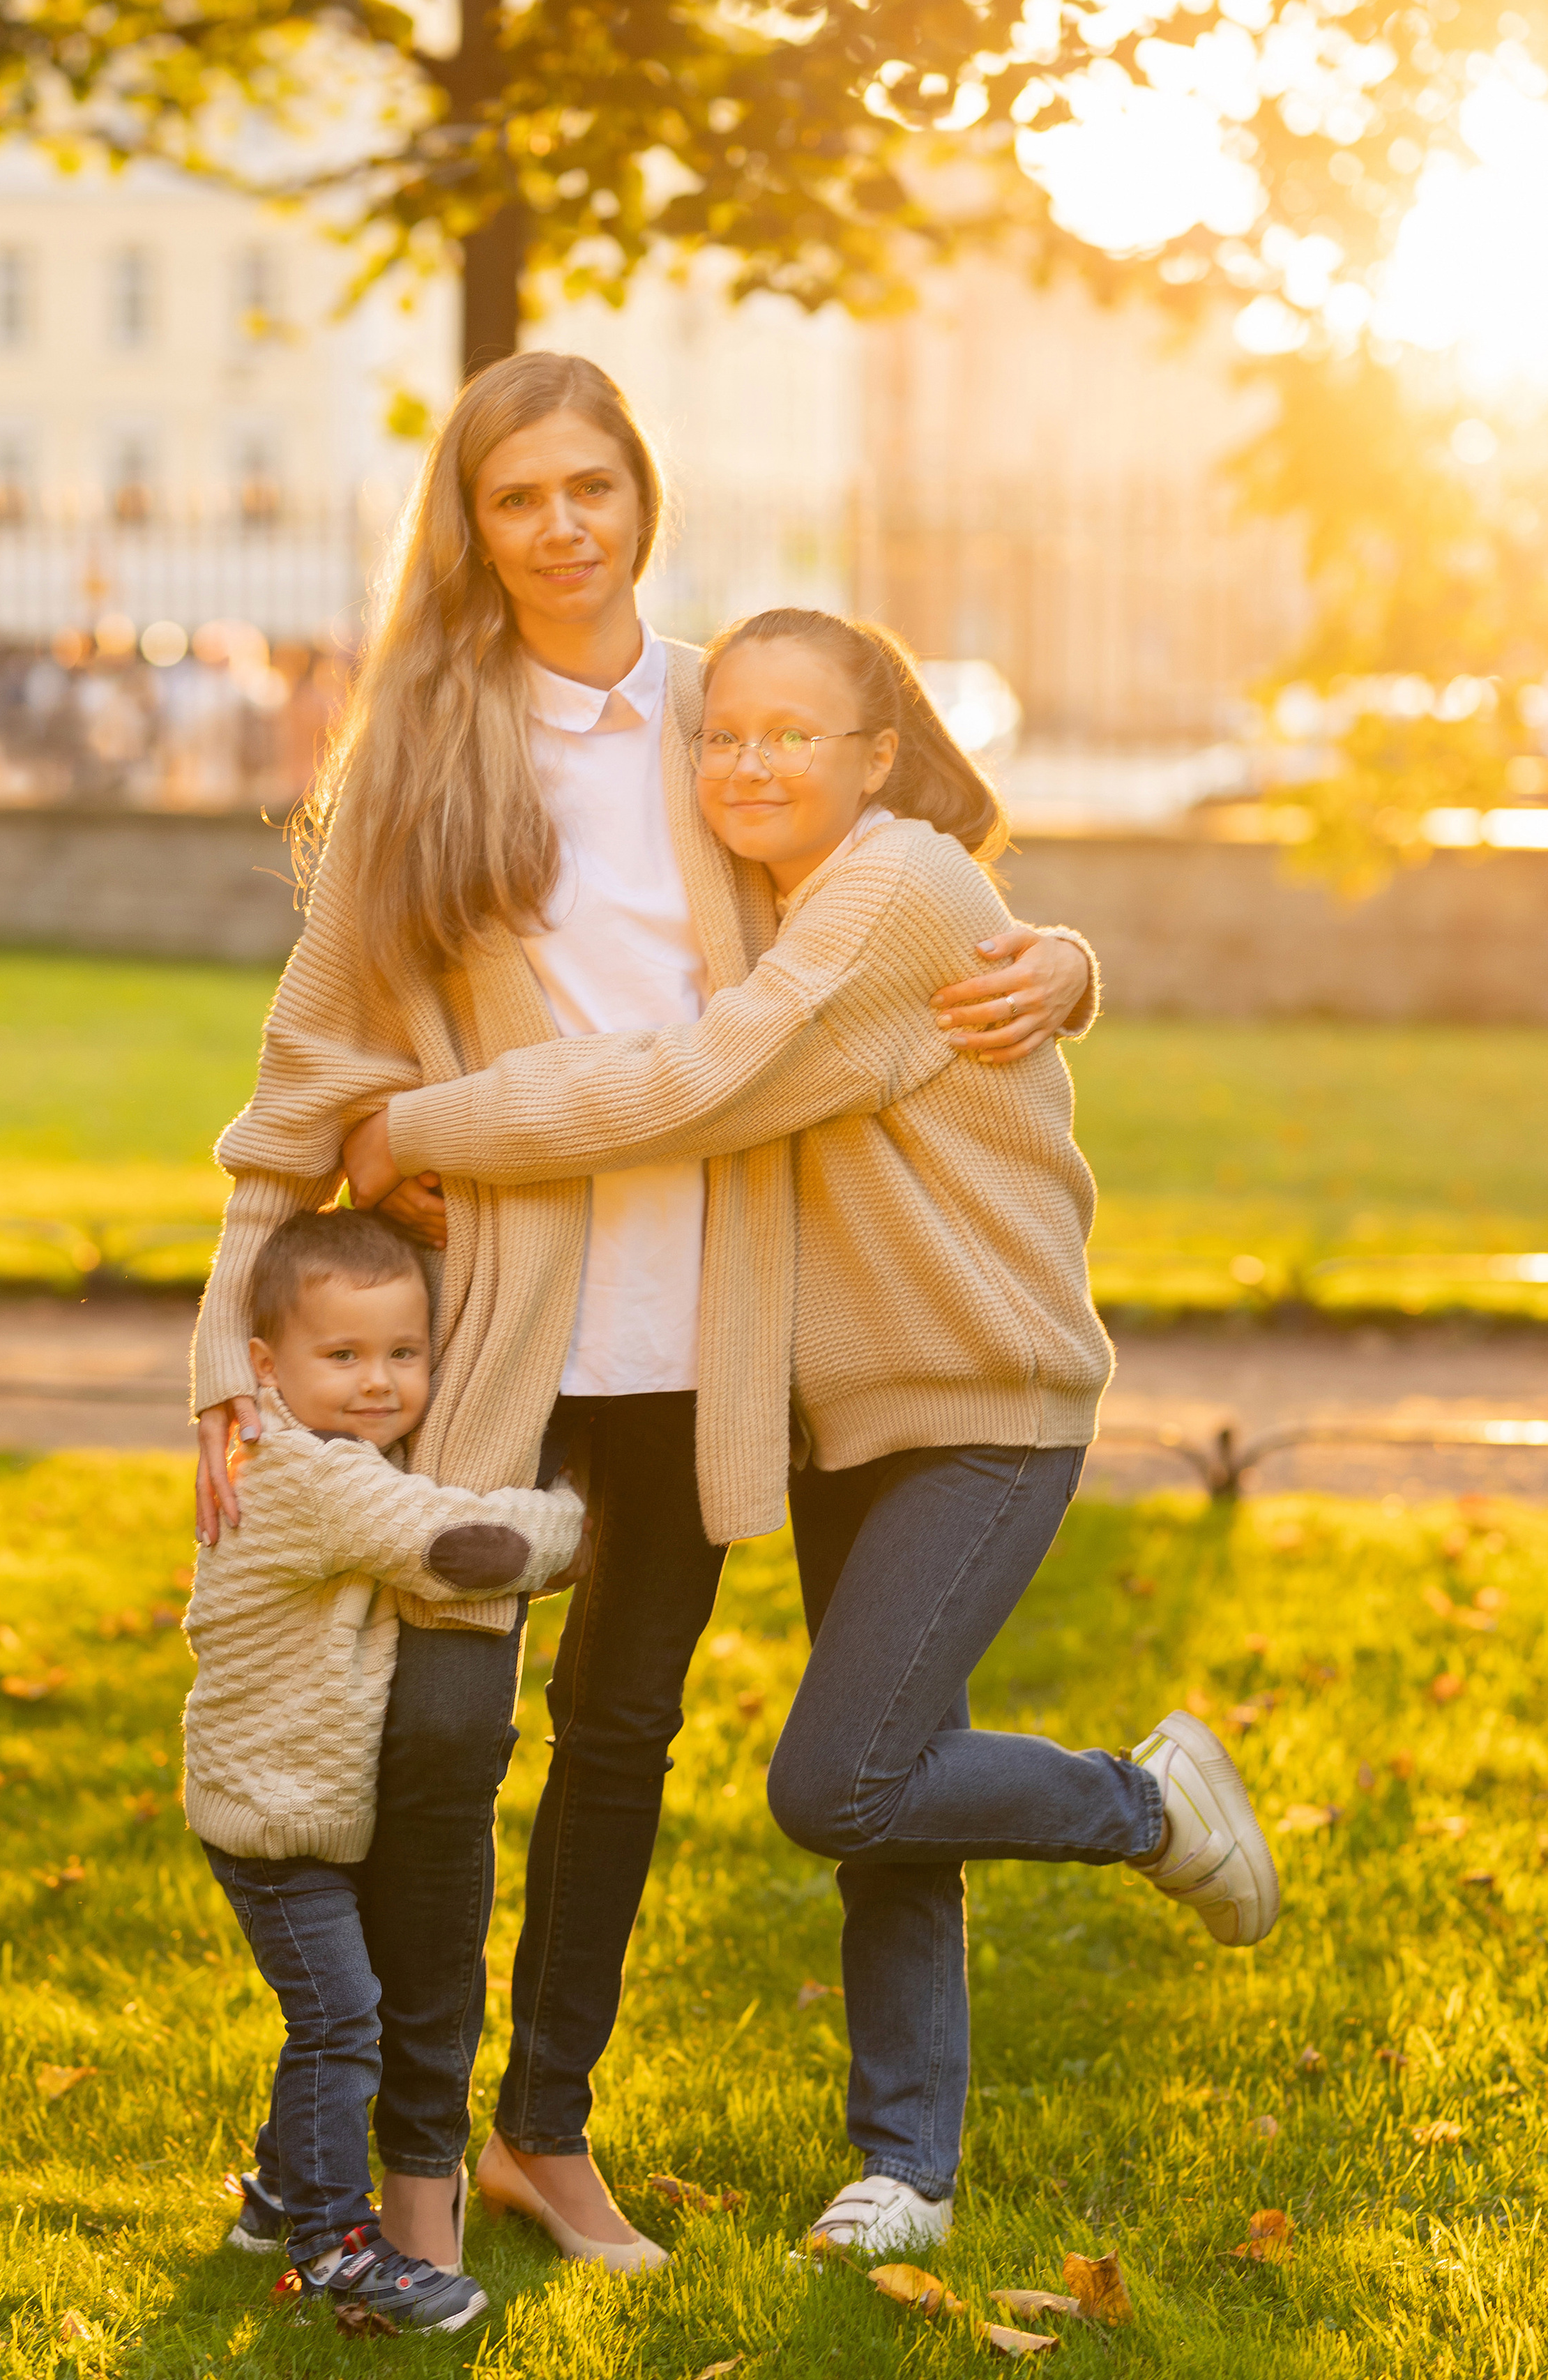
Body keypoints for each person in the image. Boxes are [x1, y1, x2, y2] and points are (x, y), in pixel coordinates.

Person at [190, 350, 1098, 2277]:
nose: (563, 525)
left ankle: (544, 2137)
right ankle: (380, 2144)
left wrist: (1075, 967)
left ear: (641, 495)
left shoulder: (725, 711)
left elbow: (935, 867)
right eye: (519, 495)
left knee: (626, 1736)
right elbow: (308, 1061)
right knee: (442, 1732)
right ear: (474, 522)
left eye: (591, 484)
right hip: (500, 1325)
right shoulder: (421, 744)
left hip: (705, 1324)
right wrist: (224, 1338)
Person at [344, 605, 1280, 2252]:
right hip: (844, 1412)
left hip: (979, 1402)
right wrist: (1067, 962)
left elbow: (699, 1079)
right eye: (724, 734)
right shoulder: (796, 896)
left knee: (841, 1782)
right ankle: (903, 2169)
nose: (749, 761)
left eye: (794, 734)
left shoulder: (886, 890)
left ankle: (1141, 1804)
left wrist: (416, 1126)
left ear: (874, 756)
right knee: (899, 1776)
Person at [183, 1206, 584, 2325]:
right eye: (344, 1355)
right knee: (340, 2018)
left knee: (330, 2002)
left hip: (301, 1802)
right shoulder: (307, 1477)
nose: (378, 1383)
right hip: (277, 1825)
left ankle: (273, 2187)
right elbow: (466, 1550)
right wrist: (580, 1515)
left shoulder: (322, 1451)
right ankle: (335, 2245)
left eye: (404, 1354)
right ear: (265, 1366)